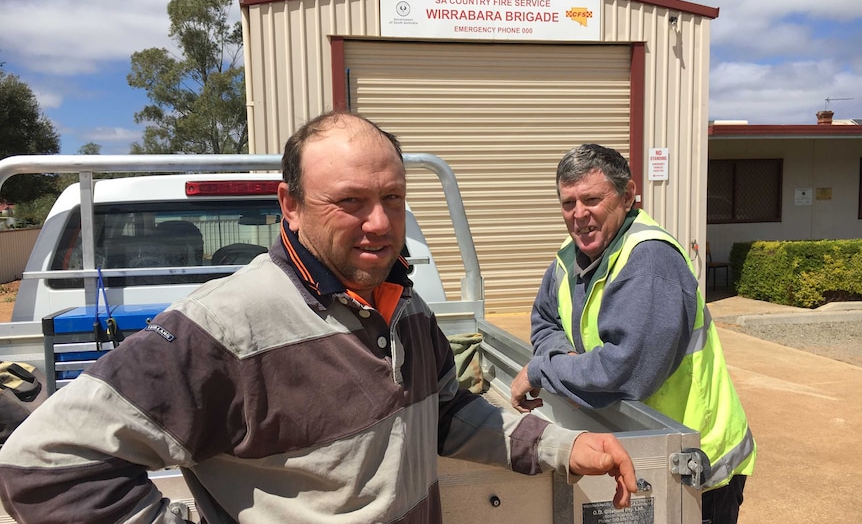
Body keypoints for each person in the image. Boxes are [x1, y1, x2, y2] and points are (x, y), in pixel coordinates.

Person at [0, 113, 637, 524]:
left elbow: (443, 411)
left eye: (392, 198)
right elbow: (43, 461)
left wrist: (561, 444)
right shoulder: (227, 325)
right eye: (351, 202)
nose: (381, 224)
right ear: (291, 207)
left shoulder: (401, 302)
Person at [510, 143, 756, 524]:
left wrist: (543, 370)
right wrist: (567, 361)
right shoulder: (570, 253)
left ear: (627, 196)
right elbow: (545, 321)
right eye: (568, 203)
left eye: (591, 199)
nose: (578, 215)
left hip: (693, 464)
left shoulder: (649, 260)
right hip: (631, 446)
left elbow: (625, 372)